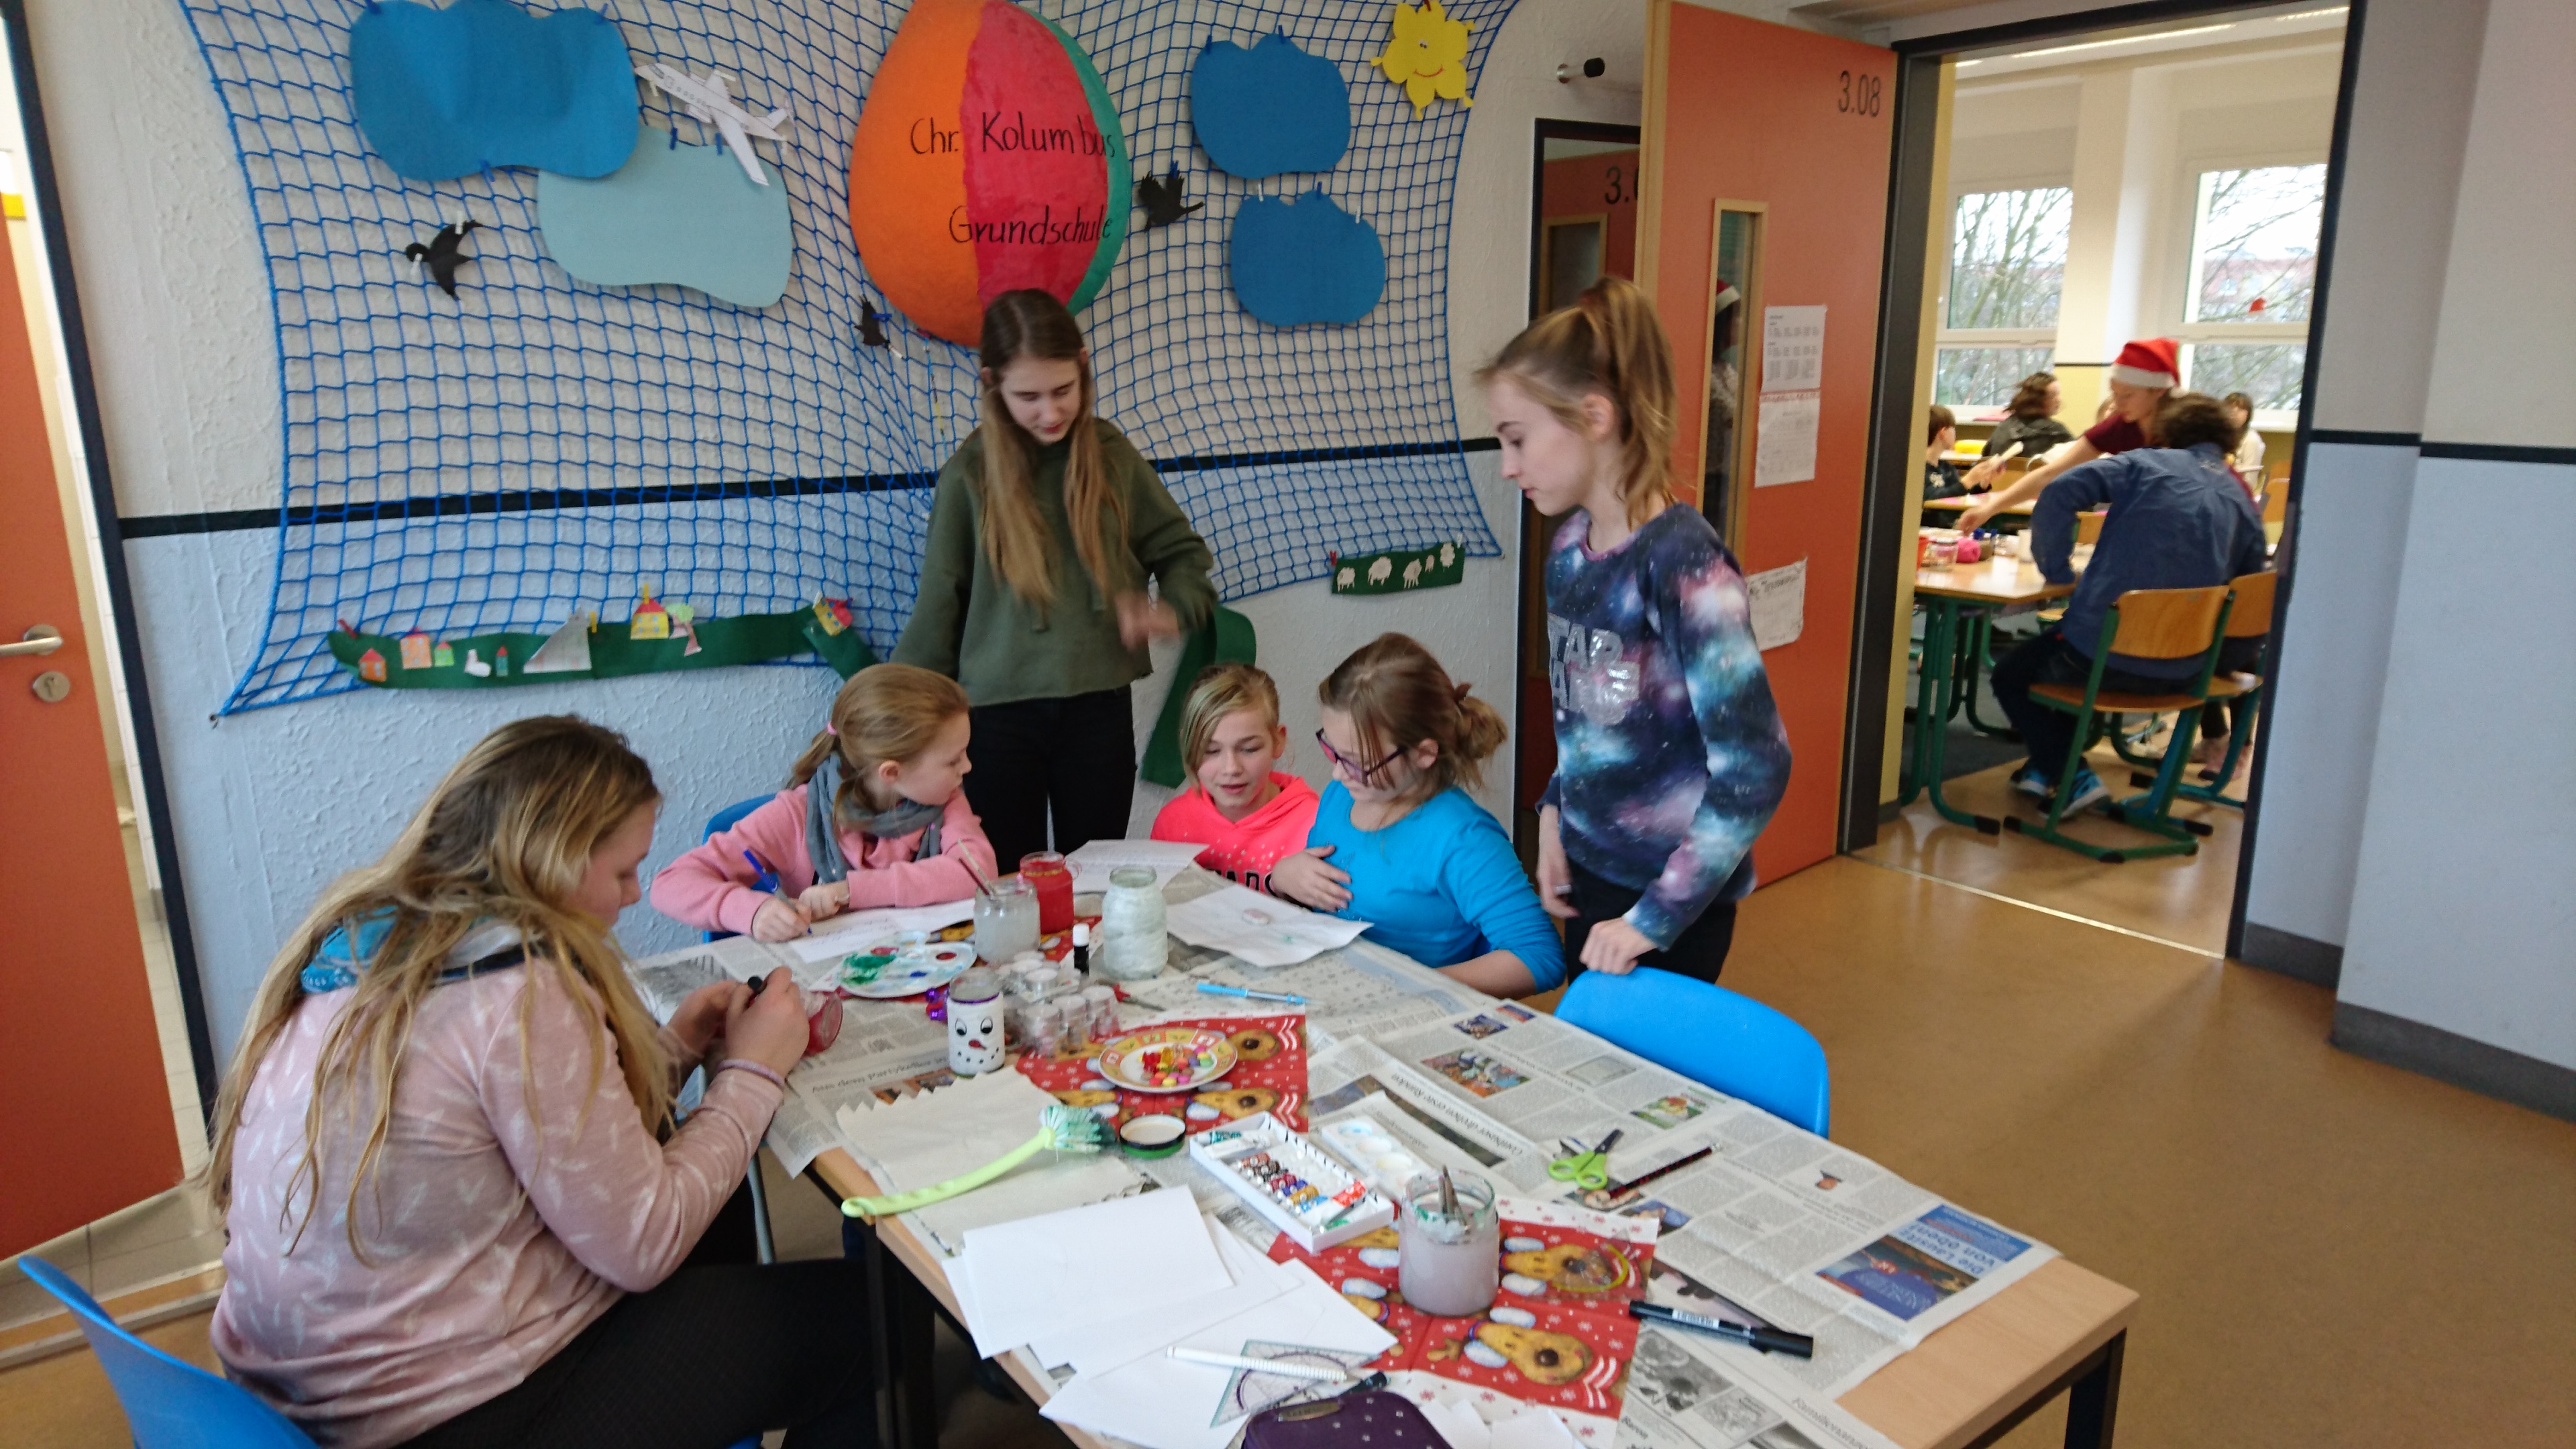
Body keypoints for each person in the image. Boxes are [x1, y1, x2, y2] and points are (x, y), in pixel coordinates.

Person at [206, 717, 874, 1449]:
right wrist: (753, 1070)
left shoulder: (377, 944)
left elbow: (523, 1131)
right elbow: (645, 1243)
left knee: (711, 1205)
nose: (633, 894)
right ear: (551, 862)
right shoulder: (519, 994)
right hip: (445, 1417)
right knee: (873, 1320)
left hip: (305, 1395)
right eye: (622, 872)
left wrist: (677, 1049)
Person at [1479, 276, 1791, 983]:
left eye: (1518, 439)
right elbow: (1591, 720)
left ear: (1594, 416)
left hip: (1671, 903)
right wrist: (1553, 815)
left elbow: (1757, 762)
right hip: (1590, 874)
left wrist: (1651, 920)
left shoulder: (1683, 562)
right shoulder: (1570, 550)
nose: (1508, 467)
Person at [894, 288, 1216, 866]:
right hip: (992, 721)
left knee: (1095, 873)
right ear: (992, 384)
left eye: (1063, 390)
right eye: (1028, 396)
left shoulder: (1111, 455)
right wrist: (890, 719)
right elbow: (938, 611)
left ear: (1084, 367)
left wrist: (1172, 608)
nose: (1050, 412)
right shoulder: (968, 477)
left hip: (1097, 710)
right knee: (1005, 879)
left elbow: (1183, 554)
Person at [1988, 393, 2269, 811]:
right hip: (2184, 668)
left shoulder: (2144, 465)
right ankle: (2045, 767)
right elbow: (2248, 592)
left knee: (2013, 673)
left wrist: (2057, 570)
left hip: (2103, 657)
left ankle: (2071, 774)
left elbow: (2060, 489)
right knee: (2065, 659)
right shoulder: (2241, 498)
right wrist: (2218, 661)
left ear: (2168, 432)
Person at [1269, 634, 1564, 998]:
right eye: (1333, 751)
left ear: (1424, 754)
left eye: (1358, 762)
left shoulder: (1463, 839)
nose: (1337, 773)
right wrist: (1282, 879)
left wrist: (1415, 984)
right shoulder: (1342, 795)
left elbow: (1540, 957)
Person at [653, 663, 994, 941]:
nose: (967, 767)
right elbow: (671, 883)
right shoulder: (796, 815)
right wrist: (751, 911)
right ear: (891, 772)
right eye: (953, 760)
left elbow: (977, 873)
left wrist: (852, 891)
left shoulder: (946, 801)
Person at [1959, 339, 2180, 528]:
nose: (2118, 403)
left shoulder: (2186, 427)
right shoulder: (2119, 425)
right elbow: (2050, 473)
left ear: (2159, 391)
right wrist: (1989, 509)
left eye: (2128, 395)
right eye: (2114, 393)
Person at [1148, 663, 1321, 895]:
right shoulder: (1173, 823)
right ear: (1187, 748)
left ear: (1277, 742)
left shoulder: (1315, 824)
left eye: (1249, 749)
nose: (1231, 769)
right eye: (1211, 751)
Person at [1980, 372, 2076, 464]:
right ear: (2036, 400)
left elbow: (1985, 459)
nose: (2058, 400)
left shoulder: (2005, 426)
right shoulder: (2057, 432)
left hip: (1999, 477)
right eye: (2052, 396)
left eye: (2058, 394)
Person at [1923, 405, 1966, 500]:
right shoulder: (1921, 470)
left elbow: (1959, 494)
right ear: (1943, 432)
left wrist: (1982, 484)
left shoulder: (1947, 468)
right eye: (1953, 428)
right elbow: (1933, 498)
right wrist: (1968, 481)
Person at [2223, 391, 2265, 472]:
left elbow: (2250, 477)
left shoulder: (2252, 440)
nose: (2235, 412)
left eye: (2241, 409)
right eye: (2231, 408)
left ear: (2248, 415)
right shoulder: (2217, 435)